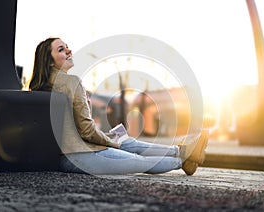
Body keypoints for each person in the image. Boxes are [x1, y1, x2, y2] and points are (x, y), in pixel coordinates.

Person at [29, 37, 209, 175]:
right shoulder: (71, 82)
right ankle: (184, 159)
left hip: (73, 150)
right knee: (139, 160)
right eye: (61, 49)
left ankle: (181, 150)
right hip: (78, 155)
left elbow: (72, 129)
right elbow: (86, 130)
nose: (69, 50)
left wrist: (111, 138)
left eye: (67, 46)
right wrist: (109, 141)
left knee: (127, 141)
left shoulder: (37, 88)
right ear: (50, 61)